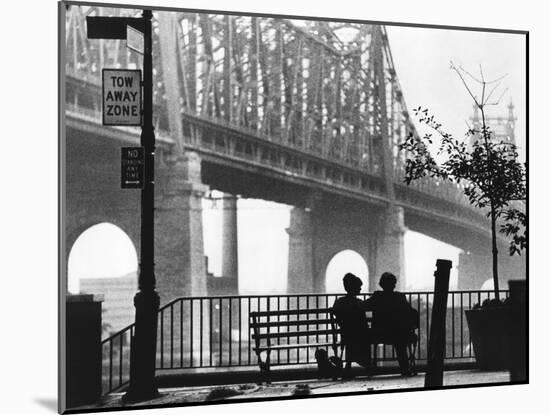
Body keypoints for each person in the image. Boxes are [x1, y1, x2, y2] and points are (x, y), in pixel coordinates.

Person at [364, 272, 418, 376]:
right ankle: (405, 368)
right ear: (394, 284)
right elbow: (411, 312)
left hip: (379, 334)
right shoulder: (400, 297)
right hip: (397, 334)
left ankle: (370, 368)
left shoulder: (377, 296)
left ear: (381, 284)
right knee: (401, 342)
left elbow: (364, 306)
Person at [331, 273, 372, 375]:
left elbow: (336, 314)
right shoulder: (359, 303)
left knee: (351, 337)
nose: (361, 289)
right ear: (354, 288)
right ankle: (367, 364)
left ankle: (348, 365)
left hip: (346, 334)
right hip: (359, 334)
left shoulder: (340, 302)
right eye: (359, 287)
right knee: (362, 334)